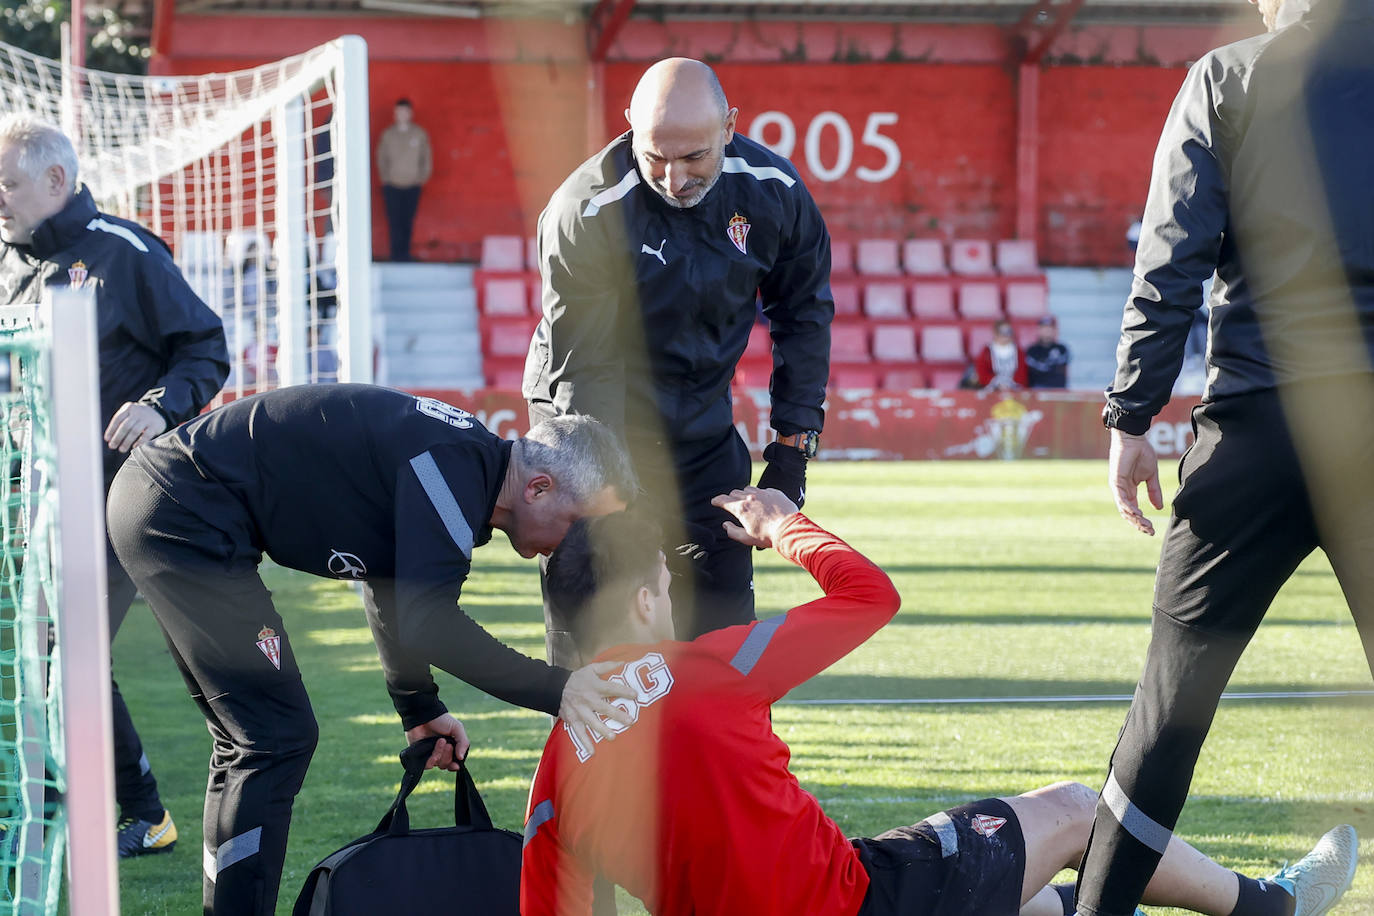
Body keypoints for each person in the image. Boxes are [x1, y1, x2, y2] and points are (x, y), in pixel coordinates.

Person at [520, 490, 1359, 916]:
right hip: (862, 902)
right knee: (1071, 811)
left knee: (1025, 902)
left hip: (849, 884)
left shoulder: (555, 769)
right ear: (638, 604)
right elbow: (868, 595)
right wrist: (785, 527)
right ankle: (1270, 905)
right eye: (663, 586)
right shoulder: (709, 666)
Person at [106, 384, 640, 915]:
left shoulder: (463, 470)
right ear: (539, 488)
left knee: (254, 741)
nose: (579, 545)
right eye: (582, 525)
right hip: (182, 507)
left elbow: (391, 586)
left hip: (167, 501)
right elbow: (429, 620)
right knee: (273, 738)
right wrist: (560, 688)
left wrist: (418, 706)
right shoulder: (453, 471)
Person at [1084, 0, 1374, 914]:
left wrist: (1132, 414)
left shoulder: (1229, 77)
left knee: (1167, 713)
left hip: (1255, 428)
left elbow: (1171, 255)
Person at [524, 57, 834, 659]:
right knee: (600, 617)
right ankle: (586, 748)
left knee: (721, 625)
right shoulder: (584, 210)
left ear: (729, 127)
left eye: (693, 158)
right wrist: (618, 505)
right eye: (655, 157)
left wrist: (793, 456)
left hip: (700, 416)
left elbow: (804, 316)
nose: (672, 177)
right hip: (589, 413)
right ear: (629, 128)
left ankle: (719, 750)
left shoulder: (777, 194)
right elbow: (585, 371)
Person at [0, 114, 230, 858]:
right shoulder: (13, 271)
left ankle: (134, 813)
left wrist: (160, 405)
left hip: (121, 501)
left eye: (6, 183)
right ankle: (62, 807)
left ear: (56, 181)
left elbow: (206, 349)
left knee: (63, 649)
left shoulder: (126, 254)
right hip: (37, 503)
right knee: (41, 654)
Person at [376, 98, 430, 262]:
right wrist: (385, 178)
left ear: (410, 113)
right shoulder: (388, 134)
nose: (402, 115)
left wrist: (421, 178)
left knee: (408, 220)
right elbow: (381, 157)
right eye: (398, 112)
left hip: (413, 184)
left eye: (405, 111)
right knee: (394, 220)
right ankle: (396, 255)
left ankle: (405, 254)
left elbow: (426, 158)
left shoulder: (419, 134)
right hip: (392, 185)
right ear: (395, 113)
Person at [974, 318, 1028, 391]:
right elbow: (983, 374)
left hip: (1014, 390)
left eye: (1008, 332)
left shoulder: (1018, 351)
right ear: (995, 333)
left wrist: (1010, 385)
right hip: (993, 390)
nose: (1006, 335)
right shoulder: (987, 351)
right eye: (1002, 332)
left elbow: (1022, 374)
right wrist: (998, 384)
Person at [1026, 315, 1071, 388]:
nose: (1047, 330)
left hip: (1058, 390)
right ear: (1039, 330)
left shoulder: (1062, 349)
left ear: (1054, 330)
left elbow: (1063, 372)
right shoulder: (1031, 350)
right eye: (1043, 328)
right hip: (1037, 390)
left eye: (1049, 328)